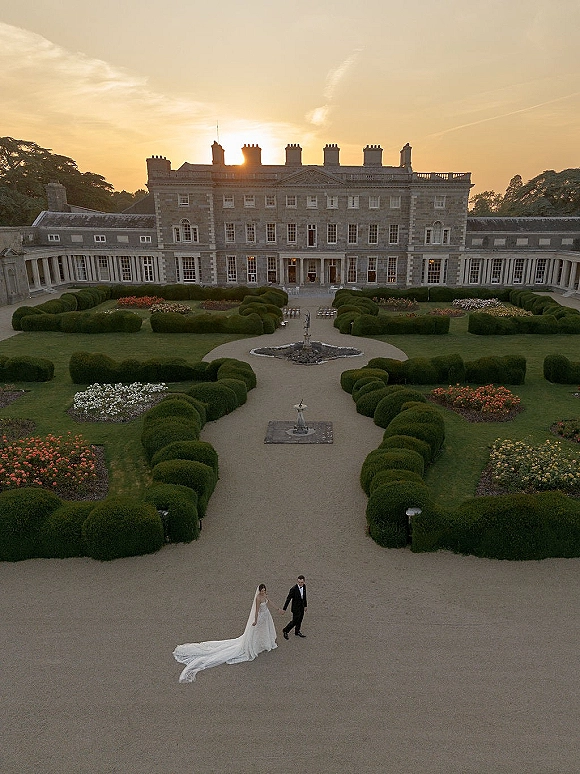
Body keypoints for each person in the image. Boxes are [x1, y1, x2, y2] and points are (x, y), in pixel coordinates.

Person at [173, 584, 283, 682]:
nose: (263, 592)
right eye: (262, 590)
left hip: (266, 616)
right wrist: (255, 620)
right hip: (261, 617)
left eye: (264, 590)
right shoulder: (258, 598)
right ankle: (259, 644)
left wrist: (278, 609)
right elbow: (256, 610)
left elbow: (270, 603)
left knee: (265, 630)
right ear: (259, 591)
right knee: (259, 632)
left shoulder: (265, 596)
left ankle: (266, 642)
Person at [282, 575, 307, 639]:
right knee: (295, 621)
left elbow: (304, 597)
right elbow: (288, 599)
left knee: (300, 619)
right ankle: (286, 630)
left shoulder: (304, 586)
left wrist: (305, 606)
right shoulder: (293, 589)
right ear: (297, 581)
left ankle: (297, 631)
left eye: (302, 582)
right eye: (299, 582)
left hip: (301, 607)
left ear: (304, 582)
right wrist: (284, 609)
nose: (300, 584)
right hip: (295, 608)